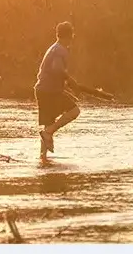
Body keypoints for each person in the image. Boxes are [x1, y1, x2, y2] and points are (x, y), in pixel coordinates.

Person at [34, 21, 81, 164]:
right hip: (48, 92)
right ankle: (48, 134)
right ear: (70, 35)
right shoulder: (60, 50)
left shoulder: (54, 48)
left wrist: (67, 89)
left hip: (44, 90)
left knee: (47, 125)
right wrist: (70, 80)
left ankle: (43, 159)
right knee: (75, 111)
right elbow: (57, 70)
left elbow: (54, 74)